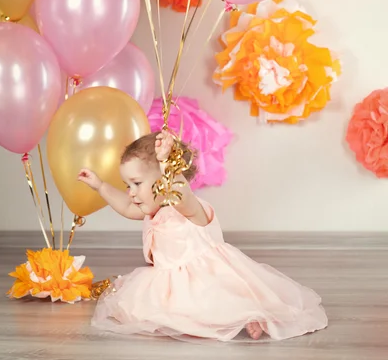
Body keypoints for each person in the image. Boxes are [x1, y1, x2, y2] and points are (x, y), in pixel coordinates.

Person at [78, 130, 327, 342]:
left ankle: (251, 315)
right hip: (169, 279)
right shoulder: (151, 211)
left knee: (219, 303)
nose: (131, 193)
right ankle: (242, 316)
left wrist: (168, 166)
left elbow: (180, 192)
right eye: (128, 185)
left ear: (164, 180)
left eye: (136, 183)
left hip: (207, 278)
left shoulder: (188, 208)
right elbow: (124, 206)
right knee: (156, 310)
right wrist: (101, 186)